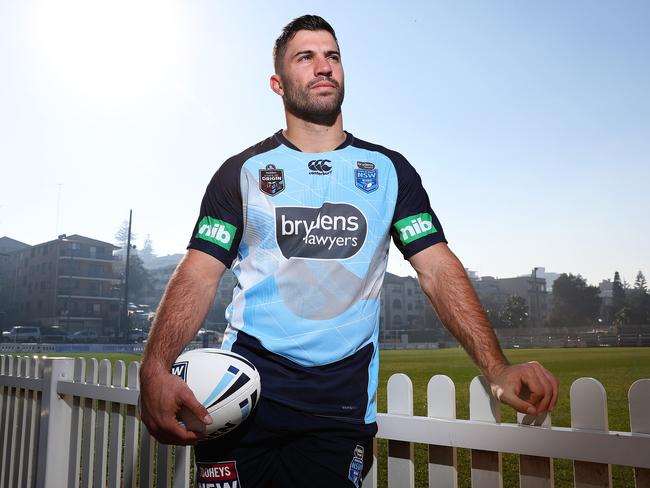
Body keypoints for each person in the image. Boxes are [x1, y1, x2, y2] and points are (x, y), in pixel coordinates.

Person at [139, 14, 559, 488]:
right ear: (277, 83)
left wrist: (497, 366)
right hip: (244, 398)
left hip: (337, 409)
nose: (324, 67)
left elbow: (437, 270)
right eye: (306, 57)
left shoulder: (389, 171)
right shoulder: (242, 171)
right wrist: (154, 366)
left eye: (332, 56)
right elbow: (199, 274)